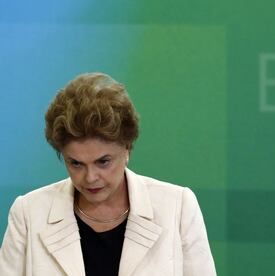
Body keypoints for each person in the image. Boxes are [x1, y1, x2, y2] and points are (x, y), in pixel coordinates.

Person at [0, 73, 216, 276]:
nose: (90, 177)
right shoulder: (29, 213)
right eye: (76, 163)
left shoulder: (177, 207)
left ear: (127, 148)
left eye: (103, 162)